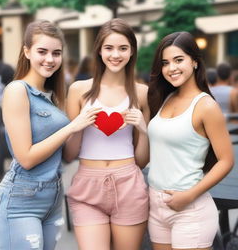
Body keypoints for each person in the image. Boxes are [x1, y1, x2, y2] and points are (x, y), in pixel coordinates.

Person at [0, 20, 100, 250]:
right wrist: (71, 127)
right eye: (42, 51)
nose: (50, 59)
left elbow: (68, 156)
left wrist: (83, 123)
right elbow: (26, 158)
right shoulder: (17, 90)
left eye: (56, 53)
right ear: (27, 51)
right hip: (21, 200)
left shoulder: (53, 96)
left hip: (53, 198)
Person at [66, 18, 150, 250]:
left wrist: (143, 131)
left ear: (132, 52)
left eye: (123, 48)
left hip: (129, 184)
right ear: (99, 51)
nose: (116, 54)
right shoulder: (78, 90)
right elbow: (69, 155)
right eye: (109, 48)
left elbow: (142, 161)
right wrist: (78, 125)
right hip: (87, 184)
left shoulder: (142, 93)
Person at [147, 31, 234, 250]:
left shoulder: (205, 106)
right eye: (165, 63)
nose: (171, 68)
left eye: (179, 60)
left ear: (194, 61)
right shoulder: (165, 98)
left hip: (190, 209)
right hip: (156, 206)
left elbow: (226, 160)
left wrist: (189, 196)